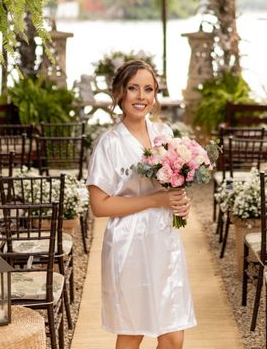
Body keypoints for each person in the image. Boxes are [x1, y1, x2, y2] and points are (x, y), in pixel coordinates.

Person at [86, 60, 195, 349]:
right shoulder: (108, 144)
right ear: (119, 94)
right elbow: (99, 206)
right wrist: (155, 200)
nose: (141, 96)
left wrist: (180, 203)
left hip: (164, 239)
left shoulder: (165, 134)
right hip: (128, 244)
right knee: (133, 331)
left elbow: (174, 185)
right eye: (133, 88)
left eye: (148, 89)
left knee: (173, 335)